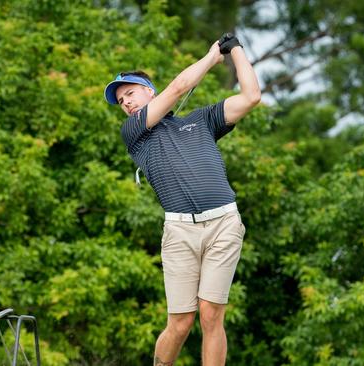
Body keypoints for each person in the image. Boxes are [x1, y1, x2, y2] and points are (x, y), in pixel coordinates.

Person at [103, 35, 260, 366]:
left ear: (149, 90)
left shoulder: (201, 120)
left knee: (210, 315)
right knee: (180, 322)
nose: (126, 103)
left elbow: (251, 97)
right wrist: (211, 57)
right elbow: (177, 89)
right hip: (179, 232)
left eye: (129, 93)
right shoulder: (134, 132)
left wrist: (236, 50)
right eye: (120, 101)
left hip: (223, 224)